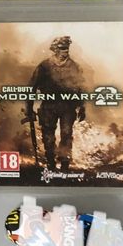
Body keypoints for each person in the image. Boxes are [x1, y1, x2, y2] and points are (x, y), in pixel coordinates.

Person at [25, 36, 86, 172]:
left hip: (68, 106)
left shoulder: (74, 67)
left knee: (66, 134)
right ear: (55, 50)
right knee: (48, 136)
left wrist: (82, 107)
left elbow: (81, 88)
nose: (66, 51)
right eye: (62, 48)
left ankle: (64, 164)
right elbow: (32, 87)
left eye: (67, 48)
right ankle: (50, 163)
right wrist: (29, 108)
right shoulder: (44, 66)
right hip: (49, 106)